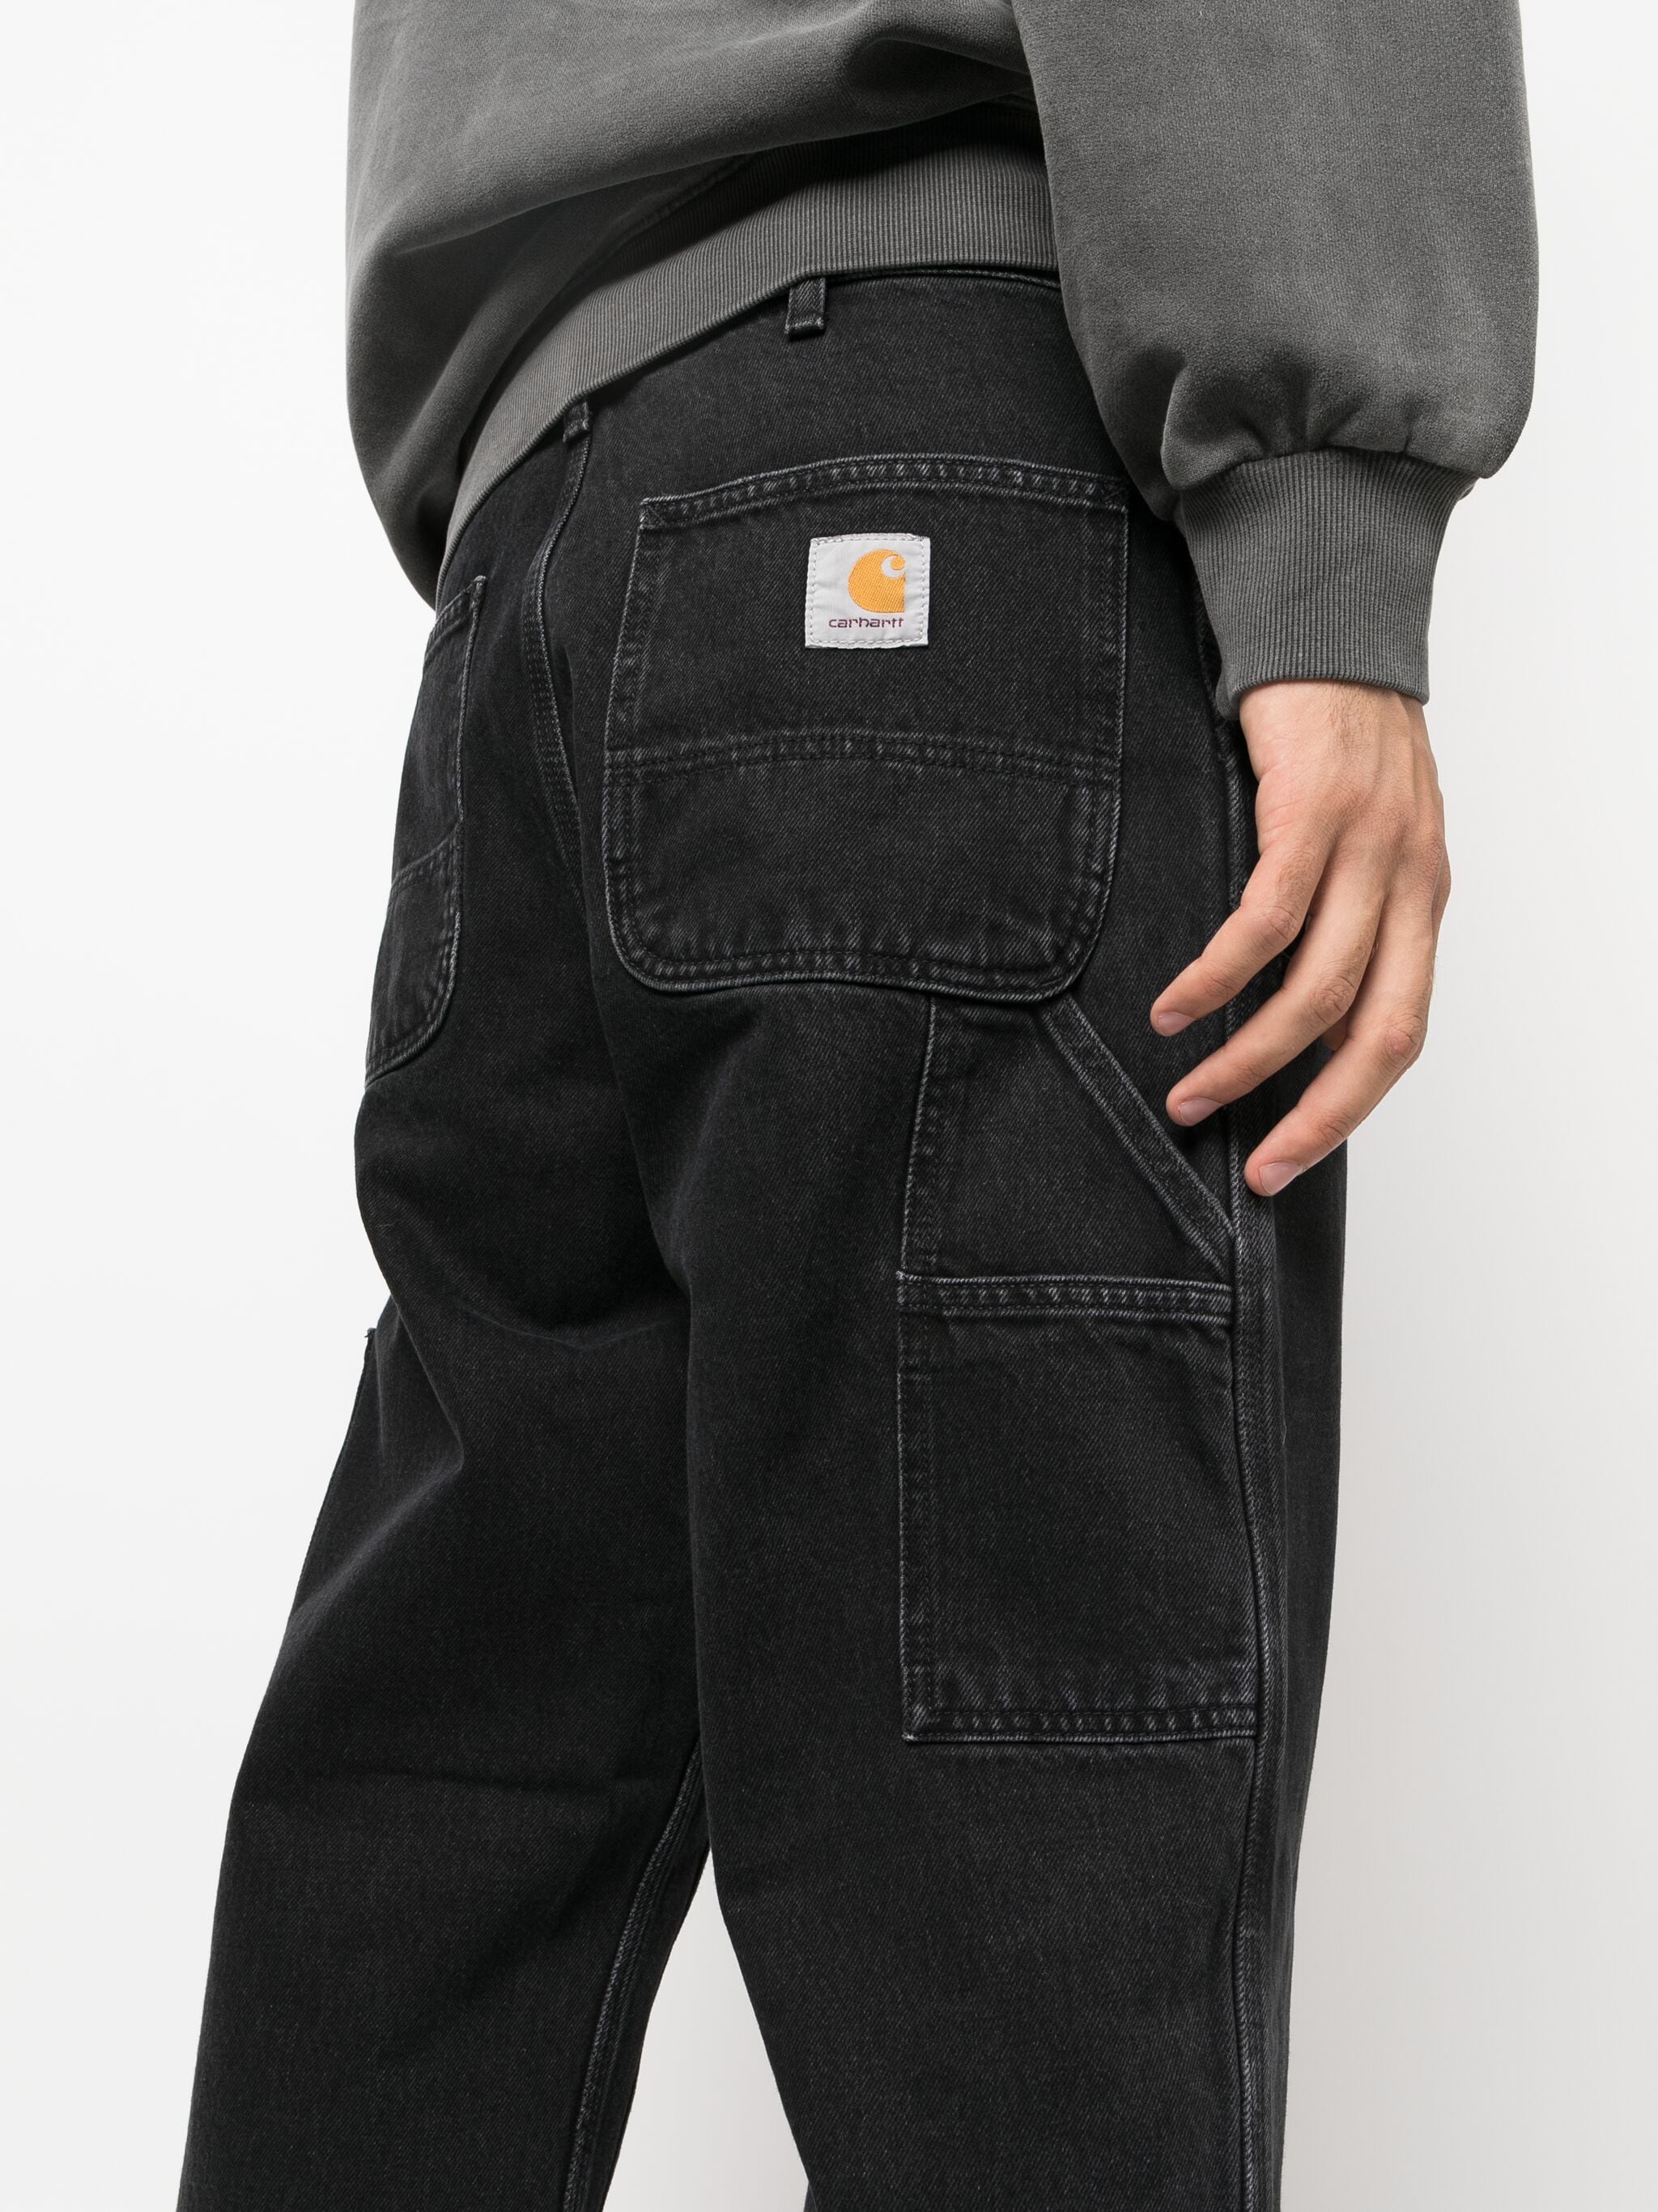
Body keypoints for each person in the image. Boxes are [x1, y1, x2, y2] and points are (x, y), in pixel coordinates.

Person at [176, 6, 1536, 2208]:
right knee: (1032, 1918)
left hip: (536, 563)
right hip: (932, 468)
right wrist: (1323, 523)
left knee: (442, 1836)